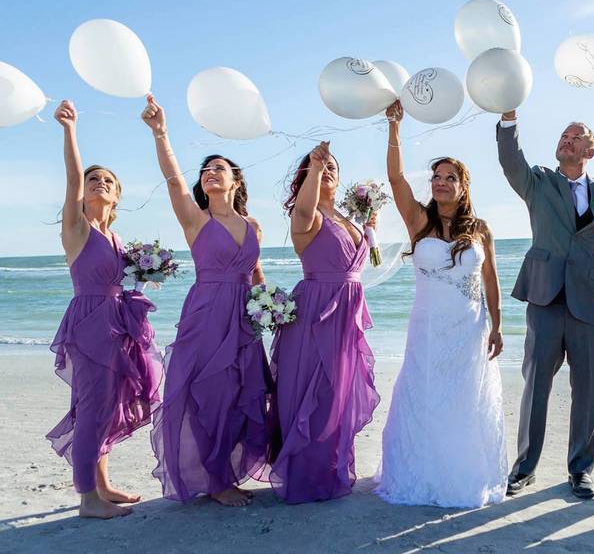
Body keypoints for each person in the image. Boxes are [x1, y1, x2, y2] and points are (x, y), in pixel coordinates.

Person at [497, 105, 594, 500]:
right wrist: (509, 121)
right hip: (544, 299)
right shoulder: (538, 182)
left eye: (576, 136)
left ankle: (581, 470)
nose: (567, 139)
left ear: (590, 151)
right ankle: (524, 468)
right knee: (536, 386)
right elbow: (511, 161)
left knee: (589, 390)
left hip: (590, 304)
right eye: (564, 134)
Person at [141, 96, 272, 507]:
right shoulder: (196, 219)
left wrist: (268, 304)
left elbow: (255, 272)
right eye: (206, 170)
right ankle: (216, 481)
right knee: (208, 395)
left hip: (243, 319)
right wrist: (161, 133)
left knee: (240, 394)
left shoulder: (253, 225)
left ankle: (227, 474)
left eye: (220, 169)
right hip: (206, 314)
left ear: (236, 181)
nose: (211, 173)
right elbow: (172, 179)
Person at [376, 101, 508, 508]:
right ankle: (422, 472)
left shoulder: (480, 229)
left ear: (463, 186)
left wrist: (498, 325)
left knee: (464, 399)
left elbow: (489, 279)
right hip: (430, 327)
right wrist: (395, 128)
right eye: (436, 176)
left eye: (449, 177)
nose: (440, 182)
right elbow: (395, 177)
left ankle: (461, 472)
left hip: (469, 329)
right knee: (426, 395)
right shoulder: (419, 222)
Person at [46, 100, 163, 519]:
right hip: (90, 324)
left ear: (117, 196)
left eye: (107, 180)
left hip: (117, 325)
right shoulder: (77, 229)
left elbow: (127, 282)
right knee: (93, 406)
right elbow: (73, 178)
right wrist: (70, 130)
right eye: (94, 179)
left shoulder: (116, 240)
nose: (98, 182)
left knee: (108, 405)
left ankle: (103, 484)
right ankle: (87, 500)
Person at [267, 142, 380, 503]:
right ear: (306, 177)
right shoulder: (308, 216)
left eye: (332, 166)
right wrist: (314, 168)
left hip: (348, 315)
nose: (327, 169)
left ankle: (329, 468)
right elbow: (303, 207)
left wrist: (369, 226)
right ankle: (303, 474)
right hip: (315, 312)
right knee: (309, 391)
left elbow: (364, 263)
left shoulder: (352, 219)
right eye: (319, 167)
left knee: (338, 395)